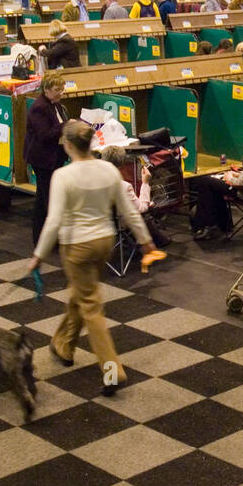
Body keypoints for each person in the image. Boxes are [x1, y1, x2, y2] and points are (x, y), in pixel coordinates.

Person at [30, 119, 155, 396]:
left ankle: (113, 371)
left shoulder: (63, 176)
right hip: (104, 243)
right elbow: (129, 211)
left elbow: (53, 220)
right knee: (82, 292)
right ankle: (63, 344)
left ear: (69, 145)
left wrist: (38, 254)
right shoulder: (109, 170)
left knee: (91, 308)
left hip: (77, 245)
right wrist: (145, 240)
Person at [188, 123, 243, 241]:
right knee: (210, 185)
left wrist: (229, 177)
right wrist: (237, 174)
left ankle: (206, 224)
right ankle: (216, 225)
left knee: (205, 182)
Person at [26, 71, 69, 245]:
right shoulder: (39, 107)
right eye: (57, 89)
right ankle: (51, 241)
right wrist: (66, 125)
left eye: (62, 89)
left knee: (42, 200)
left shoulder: (55, 104)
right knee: (49, 200)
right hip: (43, 159)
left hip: (54, 157)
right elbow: (44, 135)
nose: (60, 93)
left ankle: (41, 240)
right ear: (46, 89)